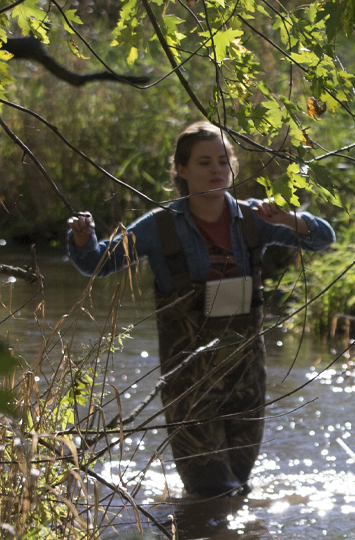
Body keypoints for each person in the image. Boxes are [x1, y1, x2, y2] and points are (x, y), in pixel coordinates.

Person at [67, 121, 336, 499]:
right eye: (204, 162)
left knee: (238, 488)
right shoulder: (158, 228)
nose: (216, 170)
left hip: (246, 380)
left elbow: (324, 239)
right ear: (181, 169)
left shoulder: (256, 218)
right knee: (212, 490)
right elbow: (97, 262)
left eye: (223, 161)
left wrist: (288, 218)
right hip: (188, 387)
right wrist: (82, 238)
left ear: (233, 167)